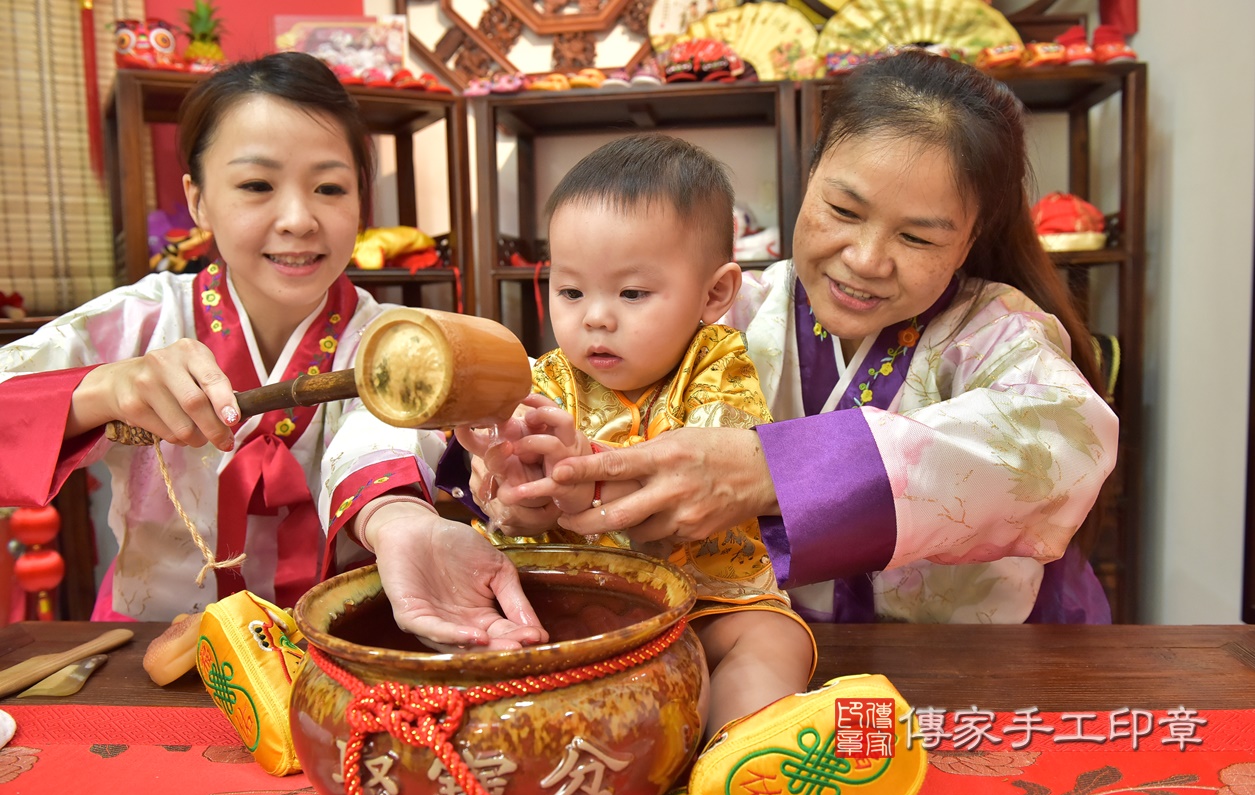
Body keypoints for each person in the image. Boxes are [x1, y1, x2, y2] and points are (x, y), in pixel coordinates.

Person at [475, 48, 1120, 627]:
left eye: (918, 237)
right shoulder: (726, 312)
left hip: (973, 665)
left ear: (971, 239)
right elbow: (581, 414)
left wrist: (771, 471)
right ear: (807, 181)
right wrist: (533, 485)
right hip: (772, 654)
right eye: (843, 211)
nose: (866, 259)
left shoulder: (996, 332)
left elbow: (1063, 439)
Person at [0, 52, 543, 639]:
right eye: (257, 184)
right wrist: (99, 391)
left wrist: (399, 517)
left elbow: (379, 434)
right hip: (151, 648)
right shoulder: (138, 323)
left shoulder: (402, 344)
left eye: (329, 187)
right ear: (198, 197)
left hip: (335, 654)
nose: (298, 218)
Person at [453, 134, 815, 736]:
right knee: (490, 623)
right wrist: (517, 496)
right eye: (571, 291)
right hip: (571, 600)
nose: (595, 316)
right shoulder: (539, 381)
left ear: (715, 294)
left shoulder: (717, 362)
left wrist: (582, 472)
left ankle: (738, 748)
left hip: (706, 598)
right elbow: (515, 524)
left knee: (774, 639)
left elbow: (711, 465)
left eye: (632, 293)